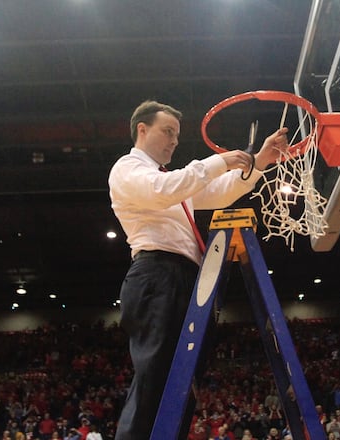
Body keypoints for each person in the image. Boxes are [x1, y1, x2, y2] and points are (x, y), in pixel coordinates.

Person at [108, 100, 289, 440]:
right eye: (168, 132)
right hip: (156, 274)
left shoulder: (172, 180)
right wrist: (220, 160)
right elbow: (166, 190)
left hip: (183, 276)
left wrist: (260, 161)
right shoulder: (128, 168)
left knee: (183, 381)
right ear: (142, 130)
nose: (174, 140)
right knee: (156, 379)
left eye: (177, 135)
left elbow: (217, 191)